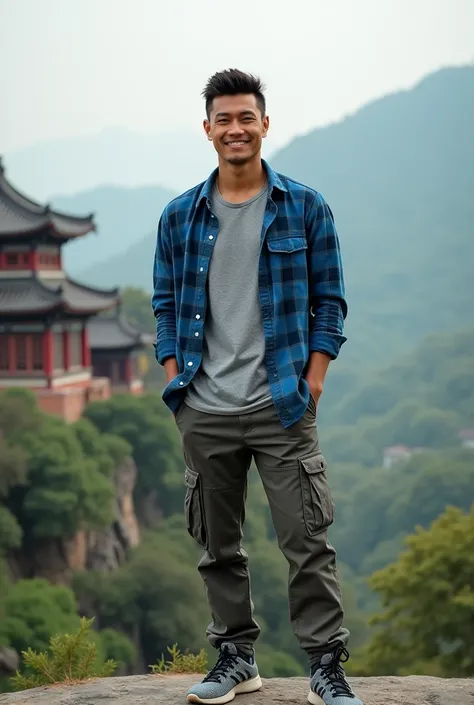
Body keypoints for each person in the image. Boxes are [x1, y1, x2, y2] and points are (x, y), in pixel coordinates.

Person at [152, 68, 362, 705]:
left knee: (306, 542)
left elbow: (331, 302)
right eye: (224, 119)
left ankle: (326, 668)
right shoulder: (180, 215)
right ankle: (235, 658)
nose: (235, 129)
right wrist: (175, 385)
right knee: (217, 546)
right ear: (207, 128)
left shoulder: (304, 206)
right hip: (204, 406)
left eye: (247, 117)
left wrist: (313, 382)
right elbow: (165, 305)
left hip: (282, 404)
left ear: (265, 124)